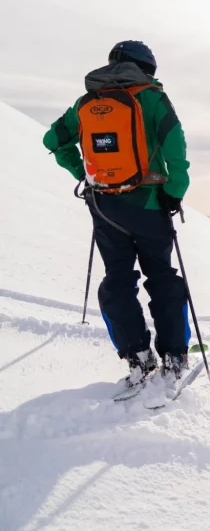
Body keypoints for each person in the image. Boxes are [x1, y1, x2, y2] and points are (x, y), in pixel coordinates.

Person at [42, 40, 191, 384]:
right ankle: (174, 355)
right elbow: (175, 145)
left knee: (118, 279)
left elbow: (54, 140)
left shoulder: (87, 102)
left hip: (104, 206)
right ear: (147, 68)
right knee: (162, 277)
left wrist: (83, 173)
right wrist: (173, 192)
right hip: (149, 204)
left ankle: (136, 355)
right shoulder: (152, 97)